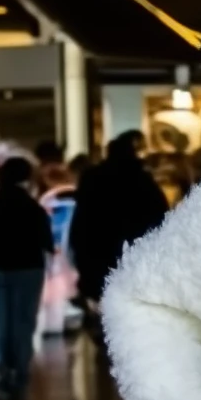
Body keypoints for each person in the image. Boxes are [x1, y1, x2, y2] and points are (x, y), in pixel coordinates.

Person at [0, 157, 55, 400]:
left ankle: (2, 376)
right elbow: (46, 242)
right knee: (23, 322)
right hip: (28, 268)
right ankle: (19, 374)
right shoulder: (33, 208)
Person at [68, 130, 168, 310]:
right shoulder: (141, 180)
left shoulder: (93, 178)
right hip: (133, 254)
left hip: (97, 251)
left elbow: (81, 220)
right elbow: (159, 216)